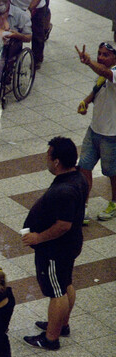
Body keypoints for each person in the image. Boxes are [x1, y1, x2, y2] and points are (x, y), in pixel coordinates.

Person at [21, 136, 88, 350]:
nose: (46, 160)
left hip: (56, 250)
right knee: (65, 282)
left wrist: (38, 237)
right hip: (70, 245)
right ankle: (61, 324)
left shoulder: (64, 191)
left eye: (48, 156)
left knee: (56, 291)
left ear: (57, 162)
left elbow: (63, 225)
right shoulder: (78, 178)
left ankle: (51, 338)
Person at [75, 42, 116, 222]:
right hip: (94, 131)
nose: (101, 57)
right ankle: (82, 207)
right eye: (99, 53)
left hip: (111, 135)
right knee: (84, 167)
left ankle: (114, 203)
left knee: (111, 172)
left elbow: (105, 74)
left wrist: (90, 62)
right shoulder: (102, 74)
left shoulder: (113, 73)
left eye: (105, 55)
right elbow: (97, 89)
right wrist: (85, 102)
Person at [11, 0, 48, 69]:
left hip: (36, 8)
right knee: (15, 33)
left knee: (37, 35)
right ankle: (14, 57)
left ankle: (37, 59)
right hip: (15, 5)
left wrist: (29, 10)